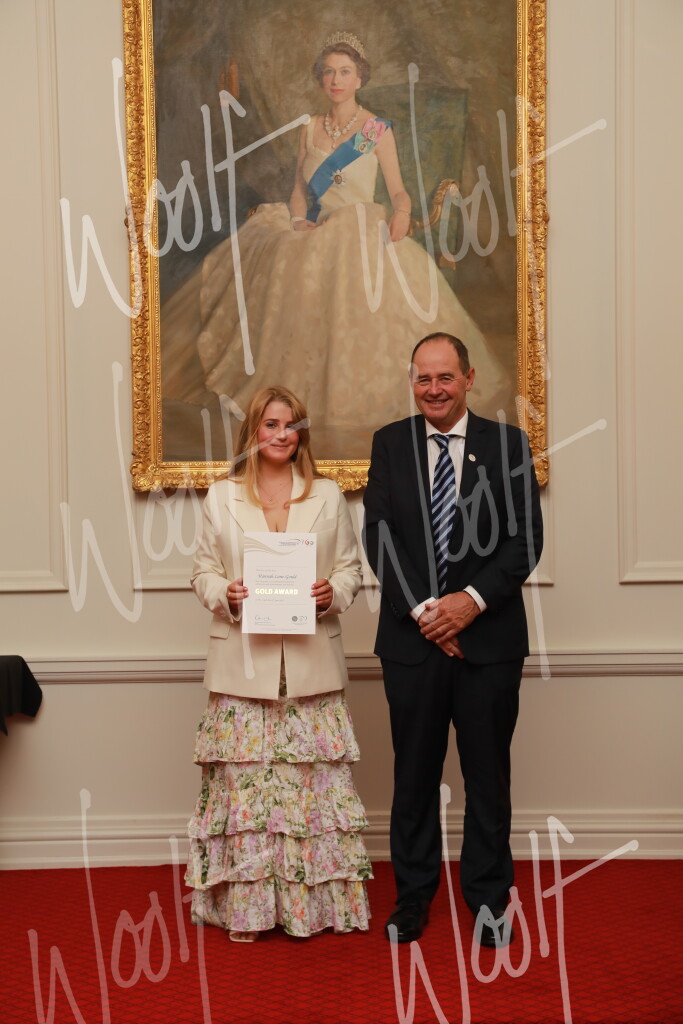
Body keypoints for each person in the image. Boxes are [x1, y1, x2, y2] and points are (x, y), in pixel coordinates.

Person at [161, 33, 508, 458]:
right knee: (273, 253)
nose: (336, 80)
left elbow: (398, 191)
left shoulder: (376, 130)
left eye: (345, 72)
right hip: (315, 228)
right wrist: (296, 221)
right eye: (328, 72)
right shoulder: (308, 128)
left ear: (360, 78)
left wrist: (402, 212)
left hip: (359, 229)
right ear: (320, 79)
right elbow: (298, 190)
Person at [363, 332, 543, 948]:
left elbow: (525, 540)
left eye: (445, 377)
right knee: (413, 778)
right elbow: (379, 536)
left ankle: (490, 903)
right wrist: (426, 613)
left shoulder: (508, 445)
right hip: (412, 645)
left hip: (488, 645)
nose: (434, 389)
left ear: (468, 378)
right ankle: (412, 899)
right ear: (411, 382)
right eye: (423, 378)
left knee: (487, 779)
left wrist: (468, 604)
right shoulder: (390, 443)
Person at [186, 385, 371, 940]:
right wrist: (224, 593)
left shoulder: (328, 495)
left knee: (309, 796)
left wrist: (331, 593)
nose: (281, 434)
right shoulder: (221, 496)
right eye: (270, 424)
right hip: (241, 665)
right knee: (247, 800)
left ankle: (312, 911)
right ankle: (246, 911)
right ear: (253, 432)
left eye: (291, 425)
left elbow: (350, 570)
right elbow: (202, 572)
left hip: (311, 665)